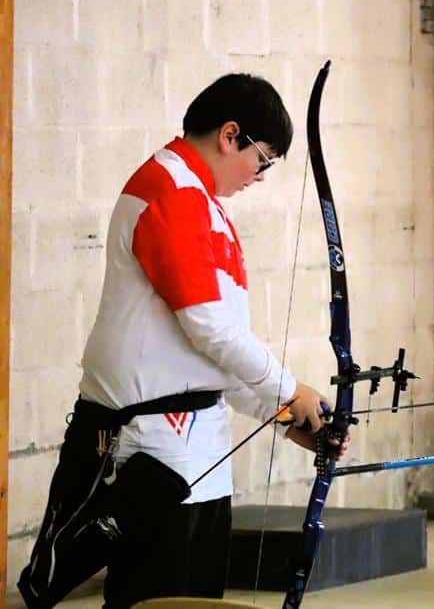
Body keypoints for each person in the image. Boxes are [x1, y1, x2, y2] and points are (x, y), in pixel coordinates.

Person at [18, 74, 341, 609]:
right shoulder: (169, 189)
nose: (260, 176)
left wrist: (286, 416)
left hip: (199, 460)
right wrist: (289, 390)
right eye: (262, 160)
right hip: (152, 454)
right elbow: (208, 328)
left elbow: (210, 359)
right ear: (230, 136)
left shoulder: (204, 203)